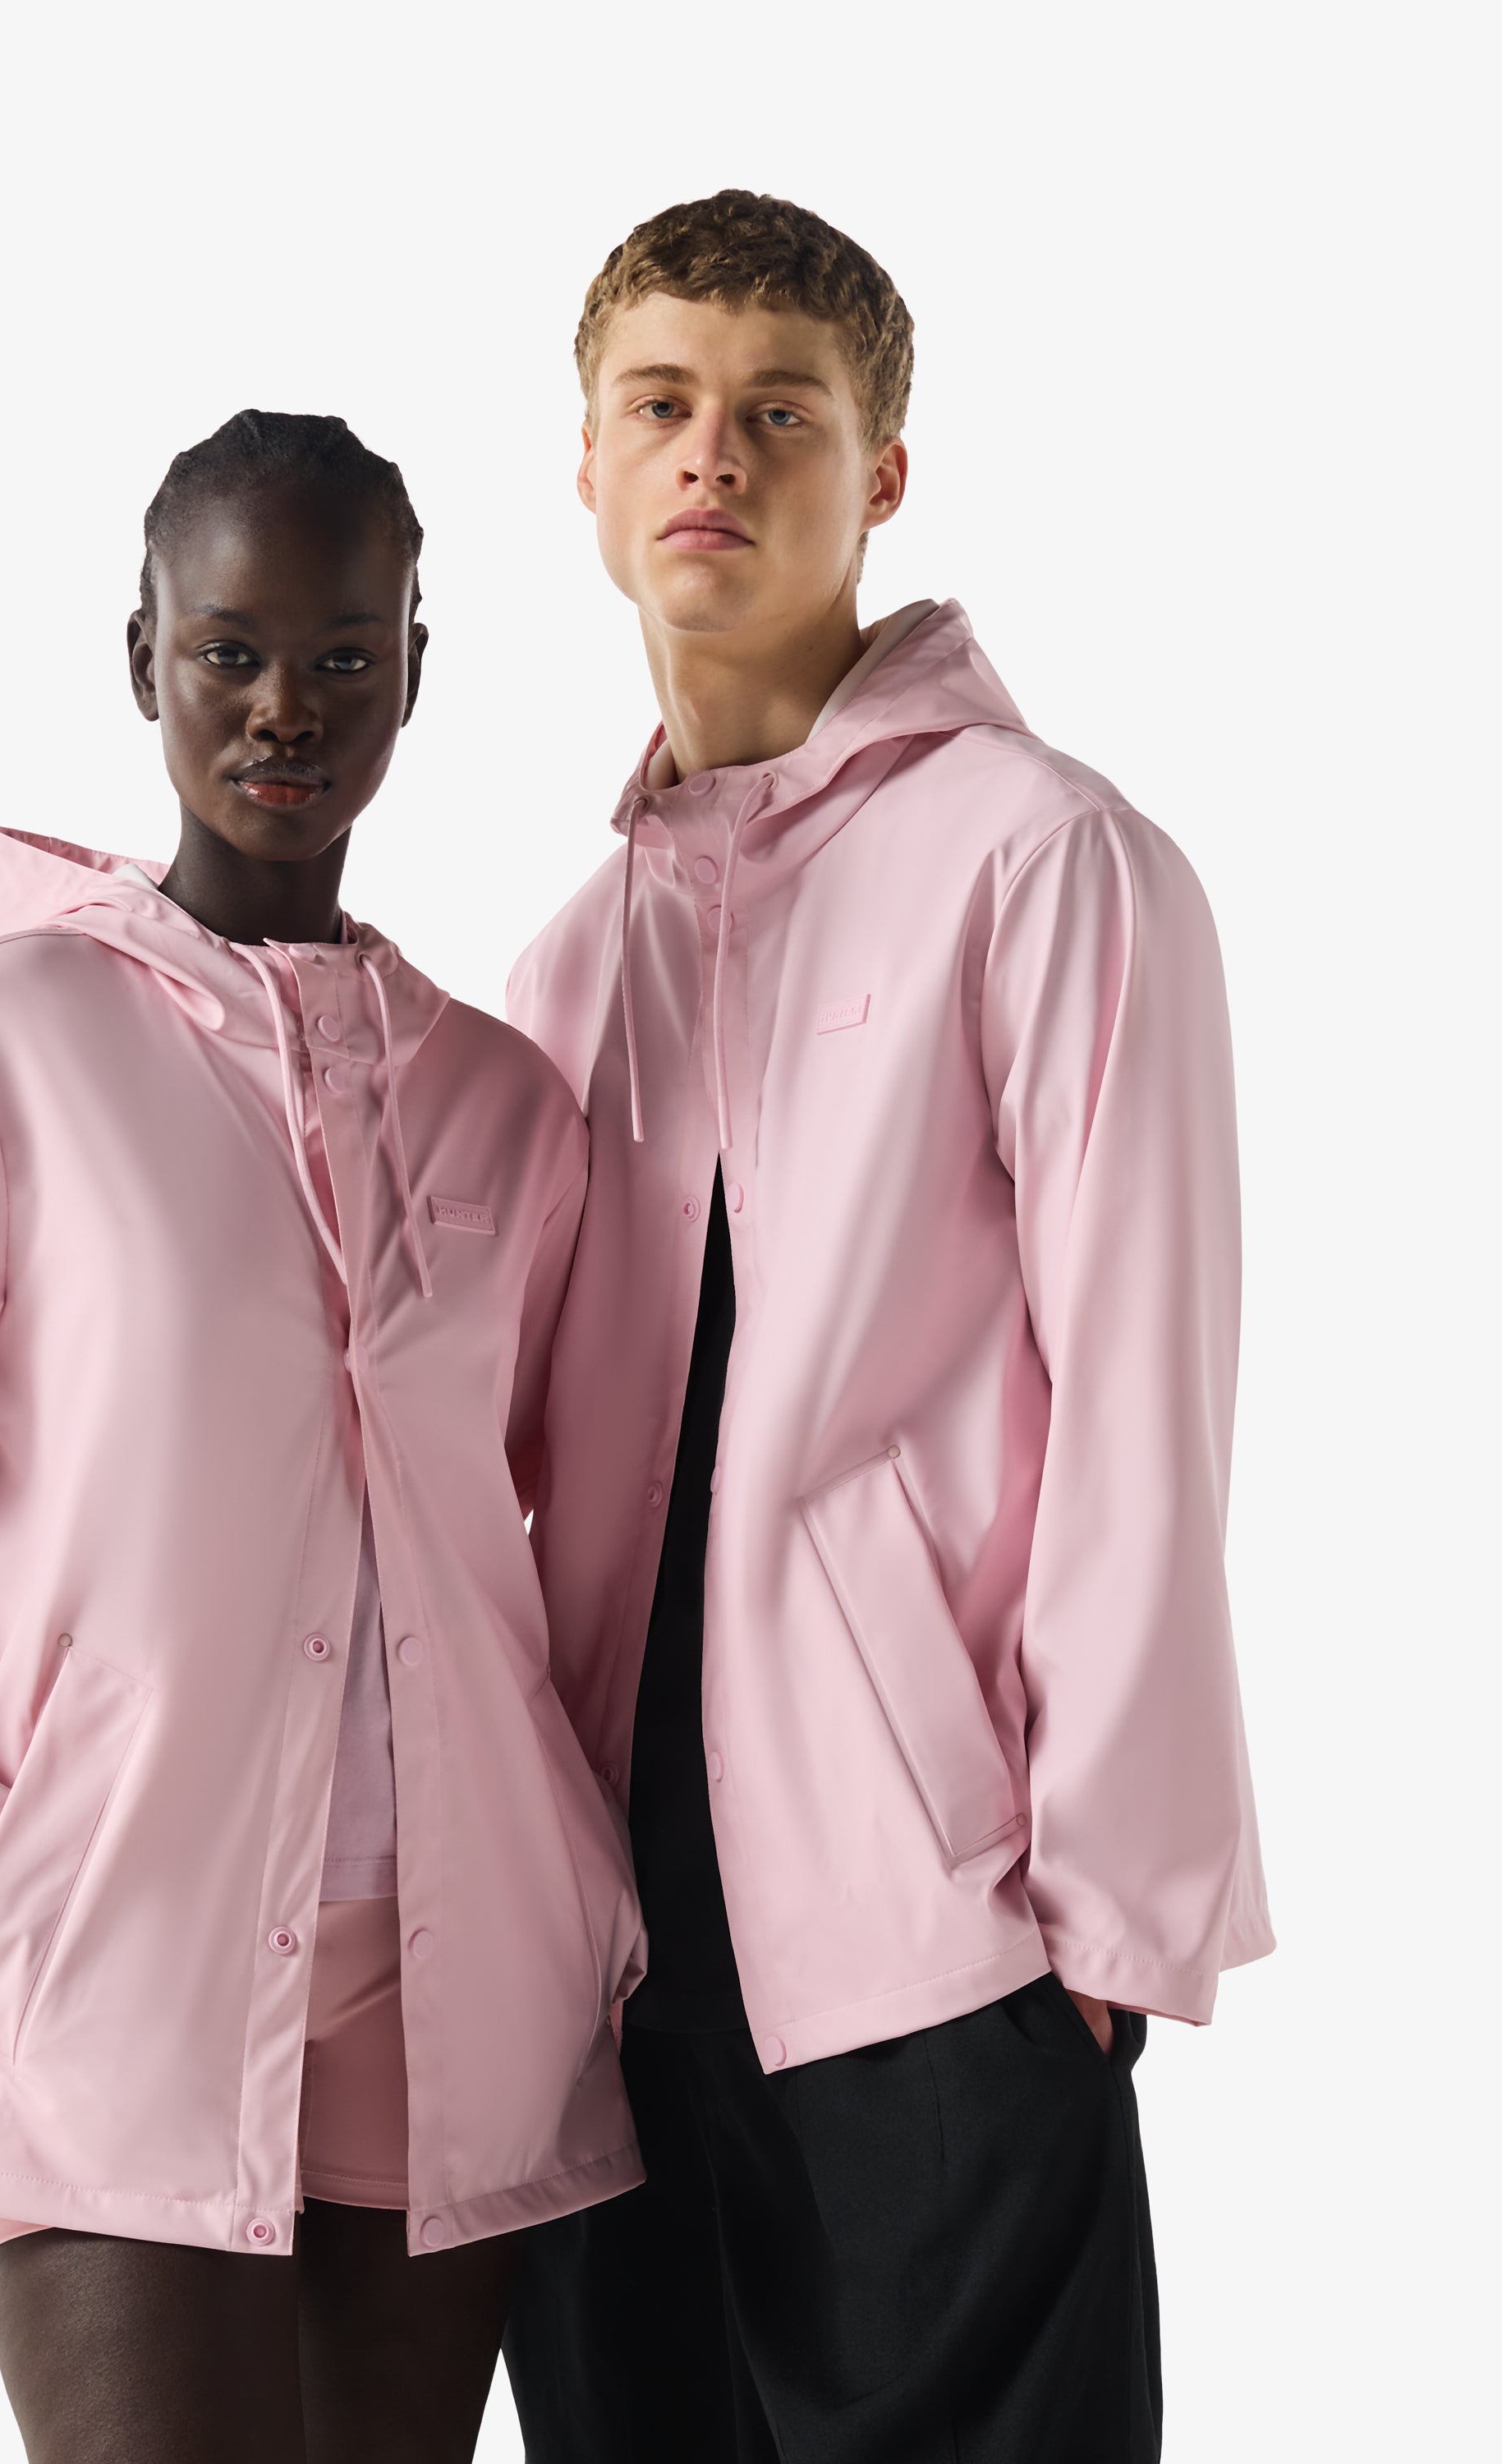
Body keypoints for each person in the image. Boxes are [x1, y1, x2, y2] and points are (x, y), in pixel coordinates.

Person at [0, 410, 643, 2464]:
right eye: (230, 650)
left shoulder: (505, 1104)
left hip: (451, 1985)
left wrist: (595, 1900)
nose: (285, 704)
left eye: (344, 653)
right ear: (144, 660)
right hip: (115, 1951)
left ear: (415, 668)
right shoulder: (4, 1036)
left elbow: (573, 1538)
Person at [499, 191, 1274, 2462]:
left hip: (944, 1946)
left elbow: (1145, 1401)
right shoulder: (571, 963)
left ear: (883, 474)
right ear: (587, 465)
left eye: (782, 412)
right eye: (661, 404)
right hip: (605, 1979)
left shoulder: (1046, 860)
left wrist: (1112, 1917)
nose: (712, 452)